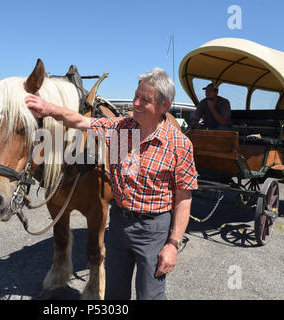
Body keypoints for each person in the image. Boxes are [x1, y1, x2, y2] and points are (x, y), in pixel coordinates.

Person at [25, 68, 198, 300]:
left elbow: (184, 199)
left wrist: (173, 244)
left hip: (153, 229)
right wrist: (48, 109)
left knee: (150, 295)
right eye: (135, 96)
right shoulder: (120, 129)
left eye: (144, 100)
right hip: (118, 225)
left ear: (164, 106)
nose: (135, 103)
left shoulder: (179, 144)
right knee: (115, 294)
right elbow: (79, 120)